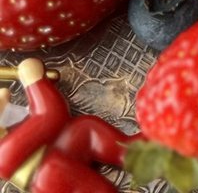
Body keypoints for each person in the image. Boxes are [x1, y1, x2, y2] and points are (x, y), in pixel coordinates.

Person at [0, 59, 136, 193]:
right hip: (52, 177)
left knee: (85, 129)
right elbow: (50, 116)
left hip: (59, 151)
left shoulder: (10, 125)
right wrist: (34, 82)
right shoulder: (4, 152)